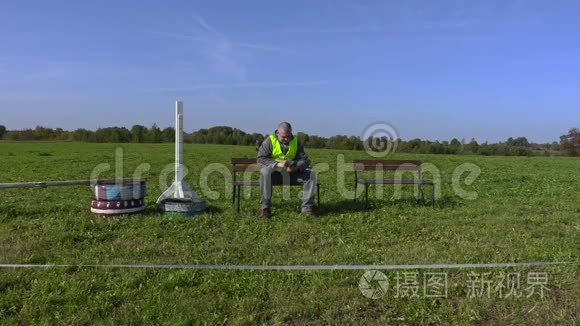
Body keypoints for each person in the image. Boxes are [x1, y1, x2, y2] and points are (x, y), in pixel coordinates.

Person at [257, 122, 317, 218]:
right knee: (265, 172)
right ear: (277, 133)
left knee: (311, 174)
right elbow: (261, 158)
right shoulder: (269, 141)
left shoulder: (296, 141)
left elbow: (304, 159)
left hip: (291, 174)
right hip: (274, 175)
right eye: (284, 137)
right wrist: (277, 164)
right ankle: (265, 209)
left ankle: (307, 209)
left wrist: (296, 167)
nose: (286, 139)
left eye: (288, 136)